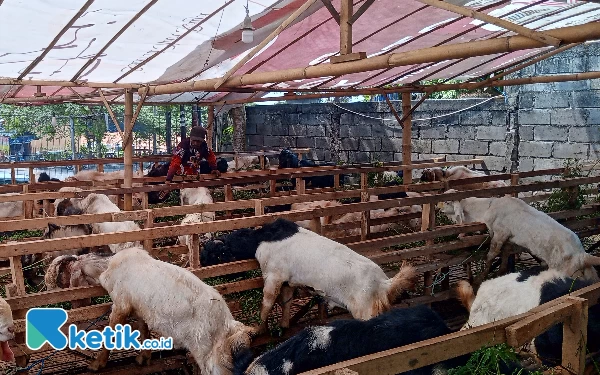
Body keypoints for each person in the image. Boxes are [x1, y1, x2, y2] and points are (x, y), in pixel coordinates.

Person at [159, 126, 220, 200]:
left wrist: (214, 168)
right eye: (194, 140)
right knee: (162, 171)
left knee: (222, 164)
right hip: (181, 171)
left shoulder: (204, 146)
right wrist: (168, 179)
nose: (196, 143)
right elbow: (175, 162)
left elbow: (210, 156)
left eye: (198, 141)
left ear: (202, 141)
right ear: (191, 138)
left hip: (195, 170)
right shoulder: (183, 146)